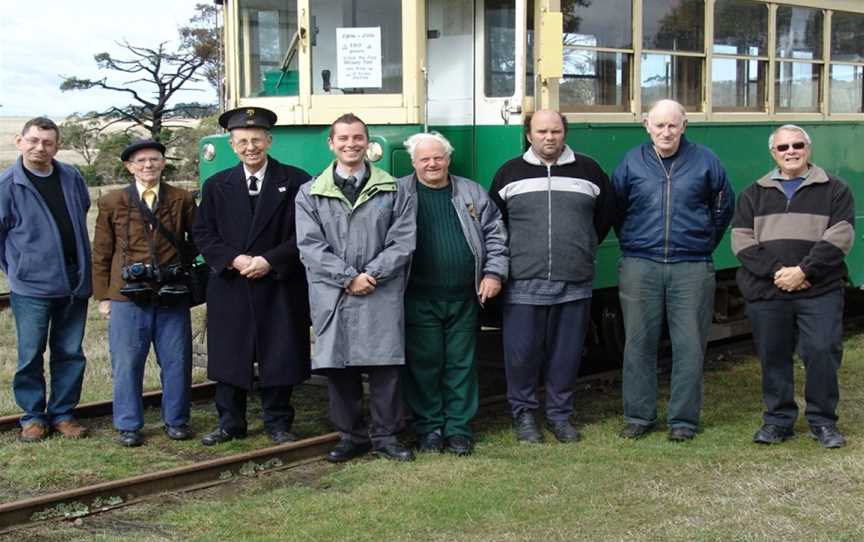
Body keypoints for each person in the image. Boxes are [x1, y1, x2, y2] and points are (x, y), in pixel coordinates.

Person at [296, 113, 416, 462]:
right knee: (340, 368)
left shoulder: (394, 189)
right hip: (334, 294)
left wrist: (372, 275)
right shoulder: (310, 193)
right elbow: (310, 245)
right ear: (331, 144)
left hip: (381, 290)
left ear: (368, 142)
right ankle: (350, 436)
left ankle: (387, 436)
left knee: (386, 368)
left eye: (358, 138)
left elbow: (403, 241)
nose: (351, 144)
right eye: (343, 139)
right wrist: (348, 277)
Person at [489, 110, 614, 444]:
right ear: (529, 135)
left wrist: (582, 248)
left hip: (573, 283)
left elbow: (602, 221)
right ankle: (525, 417)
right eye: (541, 131)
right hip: (522, 284)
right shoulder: (508, 173)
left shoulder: (589, 171)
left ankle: (560, 416)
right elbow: (495, 226)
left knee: (566, 356)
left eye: (556, 131)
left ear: (564, 133)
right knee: (521, 356)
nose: (549, 137)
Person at [612, 99, 734, 442]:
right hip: (641, 264)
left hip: (691, 265)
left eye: (673, 125)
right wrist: (636, 243)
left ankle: (683, 421)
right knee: (637, 343)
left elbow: (723, 205)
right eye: (659, 125)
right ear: (646, 126)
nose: (666, 132)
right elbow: (617, 207)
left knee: (689, 345)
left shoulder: (705, 160)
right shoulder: (631, 162)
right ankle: (639, 416)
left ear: (684, 126)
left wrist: (701, 242)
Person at [192, 107, 311, 446]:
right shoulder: (217, 186)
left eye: (256, 140)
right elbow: (203, 233)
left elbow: (306, 234)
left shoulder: (297, 181)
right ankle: (230, 423)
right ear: (232, 145)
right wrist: (234, 259)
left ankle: (278, 424)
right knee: (230, 354)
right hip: (232, 283)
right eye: (242, 141)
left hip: (278, 283)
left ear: (269, 141)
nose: (250, 147)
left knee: (280, 352)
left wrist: (269, 261)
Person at [732, 125, 855, 449]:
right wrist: (779, 273)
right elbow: (741, 241)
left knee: (822, 351)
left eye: (797, 145)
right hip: (769, 292)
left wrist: (803, 270)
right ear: (773, 153)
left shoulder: (835, 190)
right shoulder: (754, 193)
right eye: (783, 147)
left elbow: (841, 236)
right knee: (773, 356)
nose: (791, 151)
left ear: (808, 148)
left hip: (820, 289)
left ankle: (823, 422)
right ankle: (777, 421)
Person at [398, 132, 508, 455]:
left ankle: (458, 429)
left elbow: (496, 236)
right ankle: (429, 428)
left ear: (448, 159)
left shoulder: (471, 191)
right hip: (418, 296)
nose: (432, 164)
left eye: (438, 158)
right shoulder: (398, 192)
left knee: (462, 363)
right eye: (425, 159)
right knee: (424, 364)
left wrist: (493, 273)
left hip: (464, 296)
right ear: (414, 162)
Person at [91, 139, 197, 447]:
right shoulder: (112, 202)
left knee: (177, 360)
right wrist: (103, 297)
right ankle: (128, 424)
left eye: (154, 159)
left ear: (163, 163)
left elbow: (198, 238)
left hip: (171, 294)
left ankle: (177, 420)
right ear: (129, 167)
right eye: (141, 161)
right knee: (126, 362)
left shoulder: (181, 199)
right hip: (126, 296)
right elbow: (101, 251)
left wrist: (181, 268)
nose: (148, 165)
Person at [0, 117, 92, 442]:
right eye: (34, 140)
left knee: (70, 352)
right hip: (31, 287)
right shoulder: (7, 185)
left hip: (74, 280)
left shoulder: (70, 176)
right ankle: (33, 417)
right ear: (19, 141)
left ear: (57, 145)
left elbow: (81, 212)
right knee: (30, 354)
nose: (40, 147)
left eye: (48, 142)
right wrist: (19, 270)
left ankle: (64, 414)